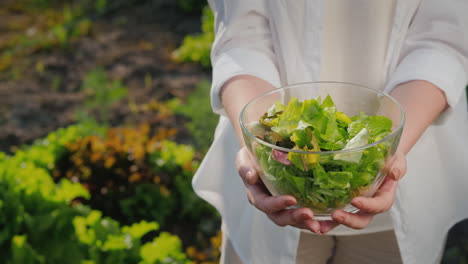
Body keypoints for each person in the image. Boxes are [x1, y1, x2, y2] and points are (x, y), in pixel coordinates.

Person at [192, 0, 468, 263]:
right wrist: (263, 143)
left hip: (405, 168)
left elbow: (442, 41)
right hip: (275, 182)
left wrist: (382, 154)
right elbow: (242, 36)